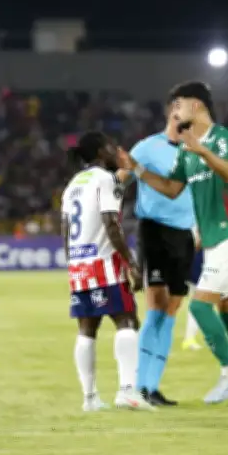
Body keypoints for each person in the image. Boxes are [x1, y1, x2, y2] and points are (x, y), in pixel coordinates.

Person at [118, 81, 228, 406]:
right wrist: (138, 169)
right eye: (173, 107)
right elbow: (171, 187)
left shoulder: (222, 138)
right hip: (200, 237)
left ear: (197, 107)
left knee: (199, 306)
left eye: (181, 105)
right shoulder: (179, 150)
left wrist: (200, 149)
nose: (177, 111)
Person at [61, 131, 153, 412]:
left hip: (79, 264)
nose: (116, 152)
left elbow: (64, 230)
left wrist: (74, 265)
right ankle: (127, 391)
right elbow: (111, 223)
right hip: (104, 264)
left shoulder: (73, 184)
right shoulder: (105, 180)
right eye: (112, 147)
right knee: (127, 320)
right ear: (101, 152)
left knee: (87, 329)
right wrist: (131, 264)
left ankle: (90, 398)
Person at [128, 109, 197, 406]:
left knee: (172, 308)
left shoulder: (196, 151)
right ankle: (138, 386)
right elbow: (120, 178)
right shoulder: (146, 147)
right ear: (171, 112)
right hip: (154, 230)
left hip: (184, 234)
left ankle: (152, 387)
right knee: (155, 305)